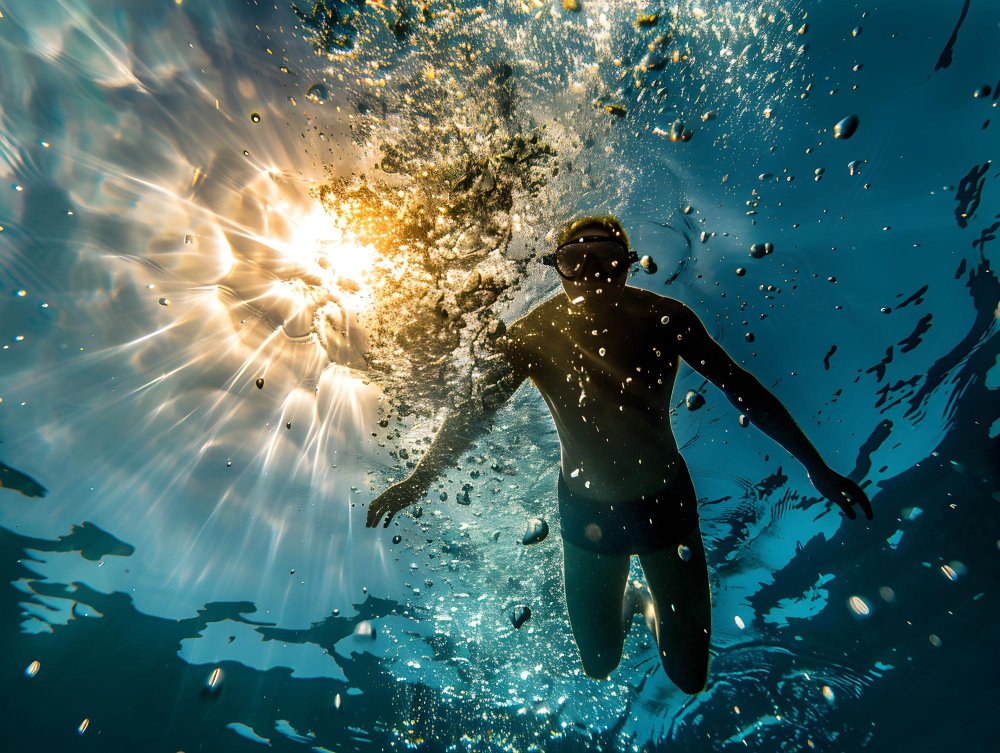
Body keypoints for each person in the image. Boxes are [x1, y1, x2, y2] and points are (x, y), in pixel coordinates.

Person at [365, 215, 873, 694]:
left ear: (629, 263)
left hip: (666, 509)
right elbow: (473, 415)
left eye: (606, 260)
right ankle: (630, 599)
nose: (591, 276)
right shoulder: (531, 336)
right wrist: (419, 478)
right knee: (599, 665)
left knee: (690, 677)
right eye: (574, 262)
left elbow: (743, 390)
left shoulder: (666, 318)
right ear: (556, 266)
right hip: (587, 513)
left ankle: (649, 606)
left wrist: (817, 467)